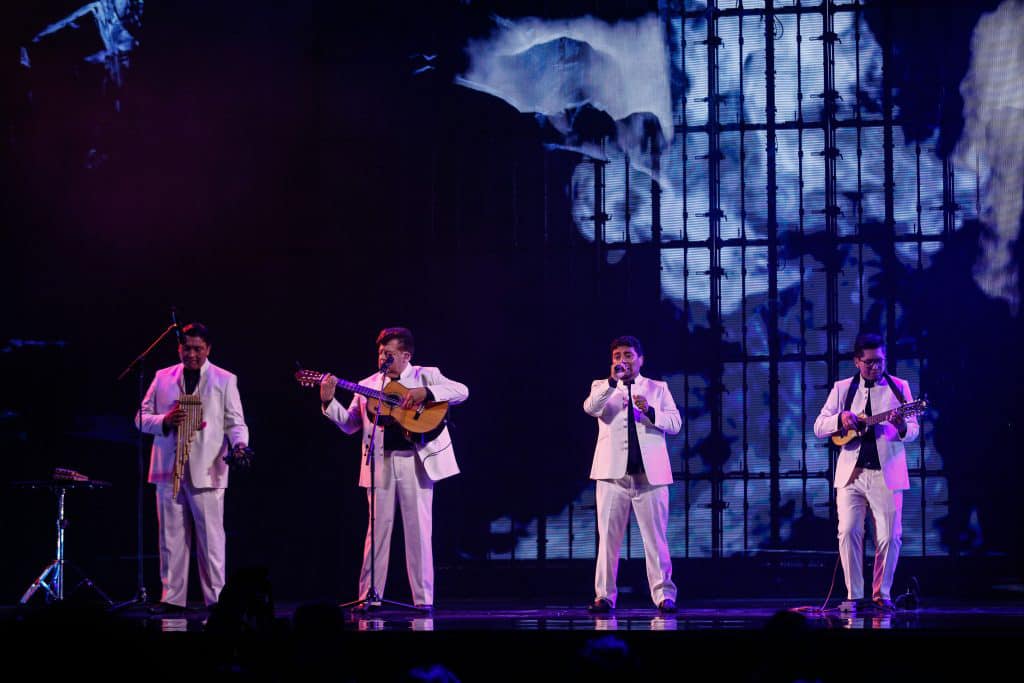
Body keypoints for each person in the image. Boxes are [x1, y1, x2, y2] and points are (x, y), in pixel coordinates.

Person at [319, 327, 468, 611]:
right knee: (376, 531)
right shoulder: (367, 384)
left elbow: (462, 391)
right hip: (380, 463)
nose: (382, 358)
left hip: (415, 462)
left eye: (389, 354)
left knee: (419, 531)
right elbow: (350, 424)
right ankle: (369, 596)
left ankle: (423, 601)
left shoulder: (426, 374)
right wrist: (328, 401)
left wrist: (425, 392)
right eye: (379, 353)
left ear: (405, 355)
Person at [136, 322, 249, 613]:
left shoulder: (224, 379)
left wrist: (239, 445)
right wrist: (164, 421)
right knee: (170, 538)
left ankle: (217, 600)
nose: (192, 354)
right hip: (167, 468)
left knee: (211, 540)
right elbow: (140, 417)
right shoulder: (162, 377)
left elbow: (235, 422)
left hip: (208, 469)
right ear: (179, 348)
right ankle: (173, 599)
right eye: (187, 348)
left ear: (208, 349)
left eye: (198, 348)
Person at [813, 332, 919, 612]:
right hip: (852, 474)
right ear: (857, 361)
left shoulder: (900, 388)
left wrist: (901, 426)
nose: (876, 367)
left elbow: (914, 430)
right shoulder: (842, 389)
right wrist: (841, 418)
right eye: (870, 362)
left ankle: (881, 594)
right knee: (847, 531)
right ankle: (853, 595)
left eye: (880, 361)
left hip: (887, 475)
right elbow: (819, 426)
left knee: (889, 537)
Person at [583, 335, 680, 613]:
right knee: (608, 539)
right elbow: (590, 408)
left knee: (656, 539)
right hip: (613, 476)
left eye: (627, 355)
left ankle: (664, 595)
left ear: (640, 359)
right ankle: (604, 596)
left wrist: (649, 411)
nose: (622, 361)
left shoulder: (657, 388)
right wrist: (612, 384)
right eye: (617, 357)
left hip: (649, 477)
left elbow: (675, 423)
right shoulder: (602, 387)